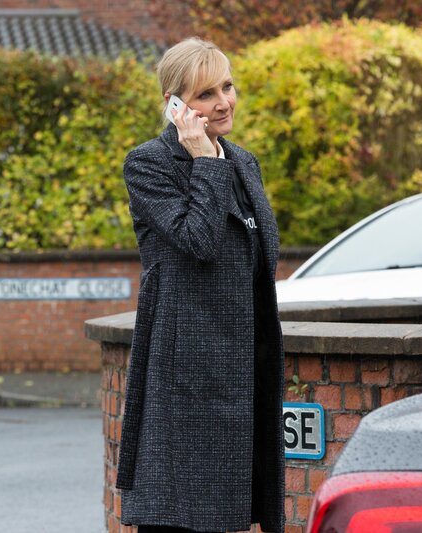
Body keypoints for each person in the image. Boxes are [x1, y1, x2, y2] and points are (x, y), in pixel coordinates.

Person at [115, 37, 286, 533]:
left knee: (235, 516)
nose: (224, 102)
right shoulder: (149, 164)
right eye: (206, 94)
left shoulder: (244, 162)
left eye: (227, 86)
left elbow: (261, 261)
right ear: (175, 105)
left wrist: (216, 160)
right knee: (182, 517)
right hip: (186, 376)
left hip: (245, 366)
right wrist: (205, 162)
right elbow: (200, 241)